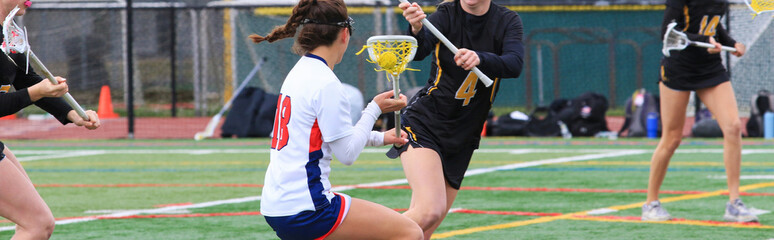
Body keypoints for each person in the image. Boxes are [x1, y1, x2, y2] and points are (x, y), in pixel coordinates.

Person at [249, 0, 423, 239]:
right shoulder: (326, 82)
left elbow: (329, 135)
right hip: (309, 209)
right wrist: (374, 109)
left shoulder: (300, 71)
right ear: (344, 33)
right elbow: (347, 153)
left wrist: (379, 137)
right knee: (409, 232)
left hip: (277, 205)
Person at [393, 0, 524, 237]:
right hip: (426, 123)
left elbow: (514, 64)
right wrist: (415, 28)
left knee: (426, 227)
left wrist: (480, 58)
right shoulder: (446, 14)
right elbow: (419, 51)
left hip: (464, 133)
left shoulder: (507, 20)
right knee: (428, 211)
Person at [642, 0, 757, 222]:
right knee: (672, 138)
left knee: (733, 127)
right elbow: (668, 33)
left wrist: (732, 43)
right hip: (679, 67)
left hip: (709, 67)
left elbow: (712, 25)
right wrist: (704, 41)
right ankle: (650, 203)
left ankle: (734, 204)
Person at [0, 0, 101, 239]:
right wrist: (38, 92)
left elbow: (26, 79)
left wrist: (72, 114)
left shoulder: (8, 32)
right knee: (38, 224)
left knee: (32, 221)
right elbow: (33, 89)